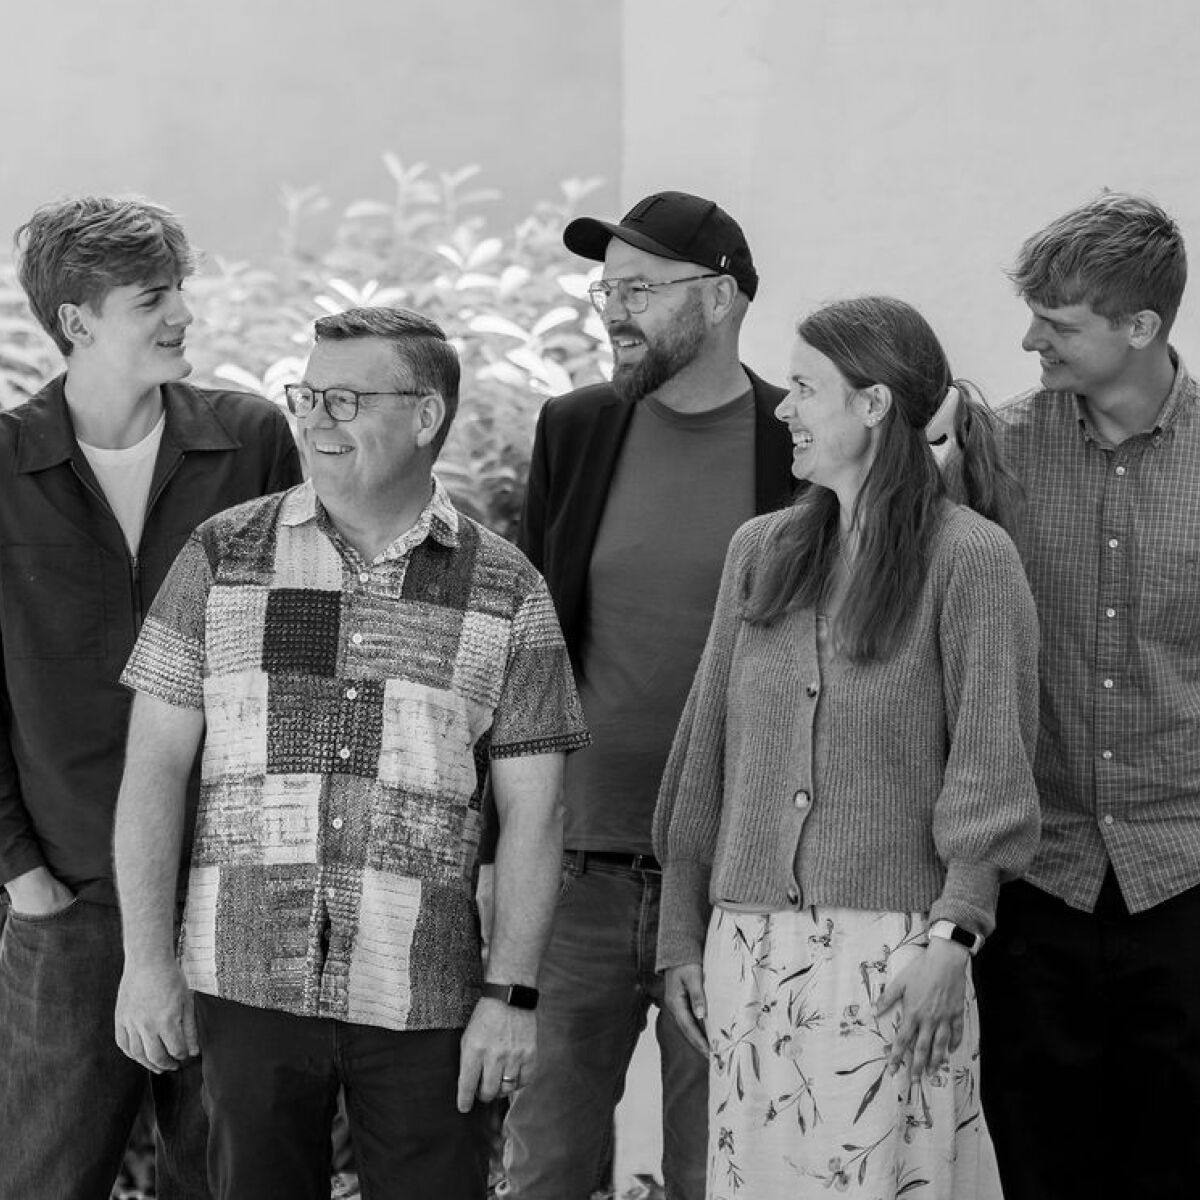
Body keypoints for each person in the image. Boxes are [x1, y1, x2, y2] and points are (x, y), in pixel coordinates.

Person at [111, 306, 589, 1200]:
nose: (316, 421)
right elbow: (153, 771)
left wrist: (512, 997)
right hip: (245, 977)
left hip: (423, 992)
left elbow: (537, 812)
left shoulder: (506, 590)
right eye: (307, 396)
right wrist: (147, 962)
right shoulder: (222, 557)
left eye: (346, 399)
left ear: (426, 416)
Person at [653, 296, 1041, 1200]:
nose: (783, 409)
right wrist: (680, 931)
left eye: (804, 389)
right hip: (748, 946)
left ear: (873, 405)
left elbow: (991, 764)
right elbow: (705, 750)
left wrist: (954, 939)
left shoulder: (970, 558)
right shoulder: (761, 550)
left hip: (898, 957)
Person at [483, 190, 794, 1200]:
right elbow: (528, 645)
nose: (614, 312)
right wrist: (493, 847)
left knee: (722, 1170)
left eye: (641, 290)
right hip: (576, 870)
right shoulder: (575, 427)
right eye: (606, 291)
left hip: (733, 879)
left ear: (721, 297)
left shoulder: (795, 440)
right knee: (545, 1168)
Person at [0, 195, 301, 1200]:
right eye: (151, 298)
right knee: (42, 1179)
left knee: (228, 1179)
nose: (183, 314)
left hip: (231, 888)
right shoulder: (3, 466)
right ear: (76, 320)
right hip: (71, 896)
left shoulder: (252, 441)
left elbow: (298, 650)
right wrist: (20, 872)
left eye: (179, 289)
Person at [975, 192, 1200, 1200]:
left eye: (1058, 324)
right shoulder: (993, 454)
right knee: (1040, 1173)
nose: (1032, 341)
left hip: (1187, 882)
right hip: (1038, 884)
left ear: (1140, 326)